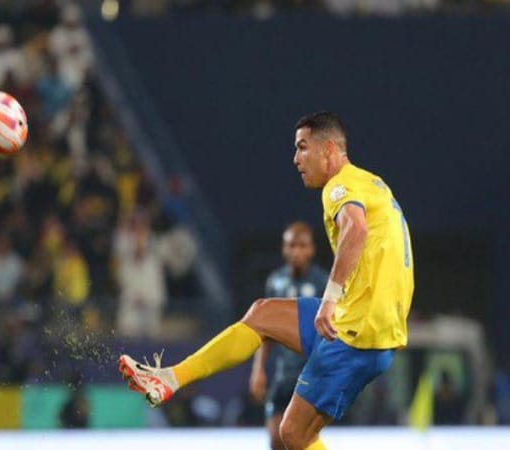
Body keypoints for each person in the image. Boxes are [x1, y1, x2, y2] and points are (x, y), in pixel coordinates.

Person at [118, 111, 414, 450]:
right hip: (367, 322)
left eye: (303, 147)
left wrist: (331, 298)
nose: (295, 158)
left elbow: (356, 229)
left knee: (293, 435)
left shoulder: (340, 186)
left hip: (358, 333)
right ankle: (170, 378)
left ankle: (169, 380)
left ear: (329, 149)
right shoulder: (371, 183)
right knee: (262, 314)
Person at [250, 222, 328, 449]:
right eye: (291, 245)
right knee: (275, 438)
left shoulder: (323, 282)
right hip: (283, 373)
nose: (297, 251)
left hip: (311, 374)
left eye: (302, 246)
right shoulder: (276, 282)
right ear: (284, 249)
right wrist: (258, 369)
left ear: (312, 249)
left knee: (299, 438)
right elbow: (266, 330)